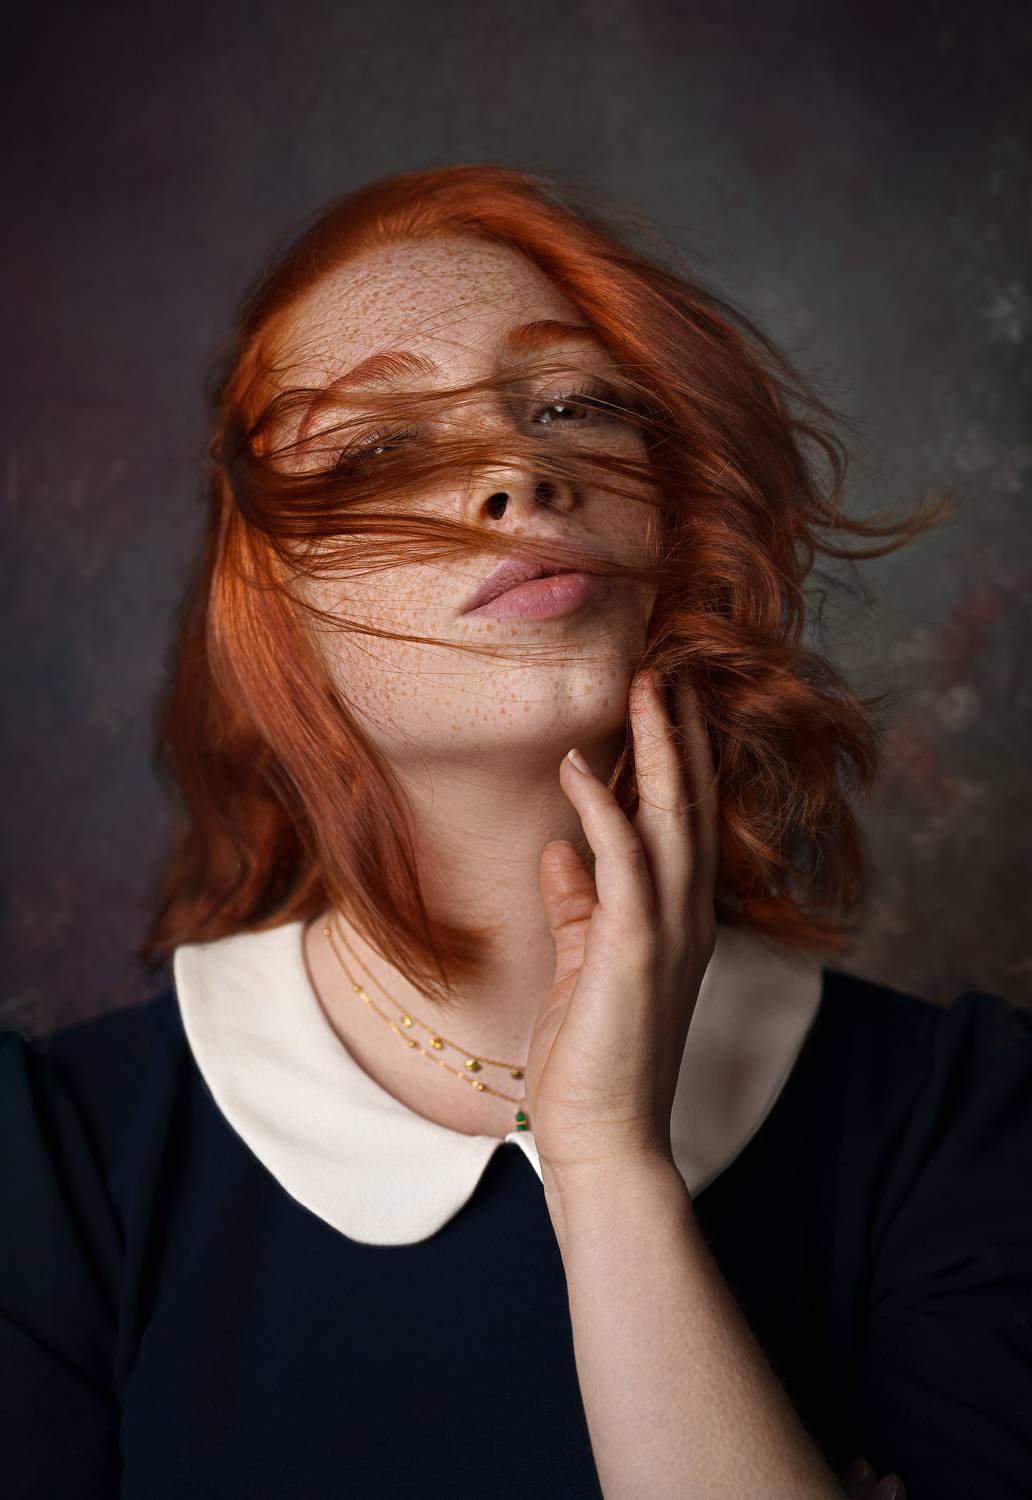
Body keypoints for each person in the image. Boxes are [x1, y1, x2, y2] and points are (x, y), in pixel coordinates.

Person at [2, 164, 1030, 1500]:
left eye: (572, 406)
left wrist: (609, 1168)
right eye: (378, 447)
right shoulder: (55, 1170)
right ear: (271, 609)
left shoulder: (960, 1119)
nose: (517, 473)